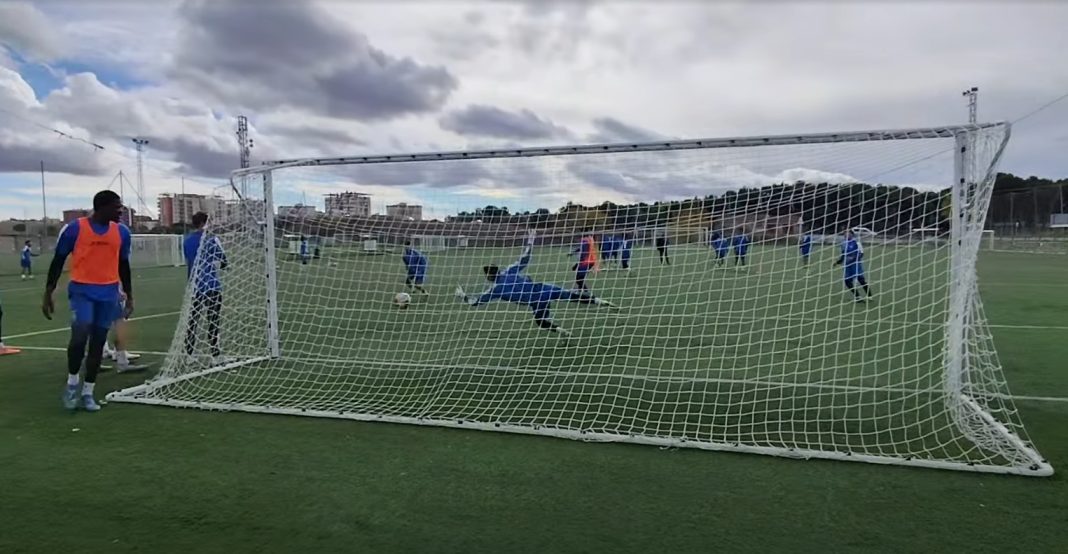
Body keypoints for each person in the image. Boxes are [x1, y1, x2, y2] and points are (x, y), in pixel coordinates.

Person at [43, 190, 132, 412]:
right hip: (82, 291)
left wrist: (129, 296)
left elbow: (124, 265)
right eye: (117, 207)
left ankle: (88, 392)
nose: (120, 211)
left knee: (98, 342)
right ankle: (72, 384)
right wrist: (48, 292)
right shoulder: (75, 229)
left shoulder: (122, 232)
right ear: (101, 207)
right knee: (80, 335)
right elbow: (58, 260)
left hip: (108, 293)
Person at [457, 231, 615, 337]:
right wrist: (530, 241)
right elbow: (524, 258)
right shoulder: (509, 271)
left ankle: (563, 332)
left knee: (541, 322)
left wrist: (462, 295)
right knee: (572, 296)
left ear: (490, 275)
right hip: (544, 288)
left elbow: (476, 302)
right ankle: (602, 302)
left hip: (536, 301)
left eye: (487, 275)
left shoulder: (495, 289)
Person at [183, 212, 228, 363]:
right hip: (211, 285)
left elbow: (189, 262)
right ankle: (215, 355)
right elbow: (223, 260)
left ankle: (189, 355)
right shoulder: (211, 239)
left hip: (195, 286)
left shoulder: (187, 241)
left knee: (193, 320)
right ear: (204, 223)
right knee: (213, 320)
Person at [836, 228, 872, 303]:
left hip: (856, 264)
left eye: (848, 233)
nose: (846, 235)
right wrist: (838, 262)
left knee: (861, 280)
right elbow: (843, 254)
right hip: (847, 265)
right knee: (847, 281)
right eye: (845, 233)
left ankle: (869, 295)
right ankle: (858, 297)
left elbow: (861, 254)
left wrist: (853, 259)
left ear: (852, 234)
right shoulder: (843, 244)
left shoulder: (857, 243)